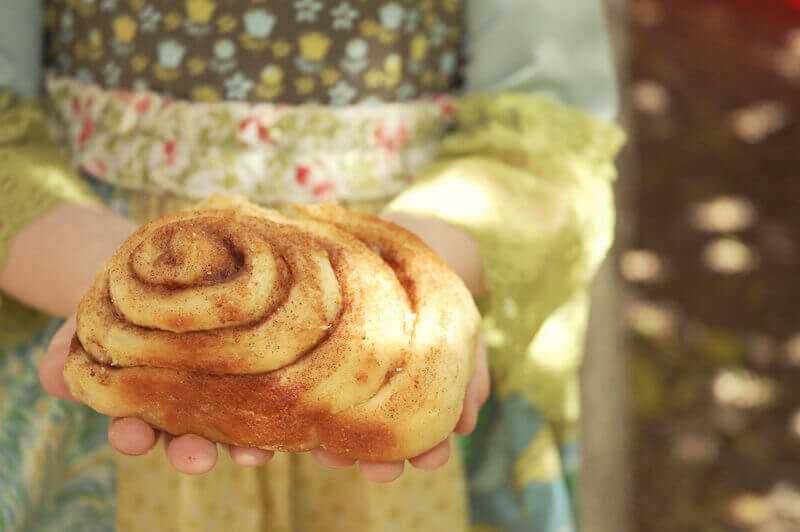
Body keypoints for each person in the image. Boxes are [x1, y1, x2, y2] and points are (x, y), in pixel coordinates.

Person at [0, 1, 624, 531]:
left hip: (393, 319)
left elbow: (546, 136)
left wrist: (410, 296)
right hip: (74, 268)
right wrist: (121, 293)